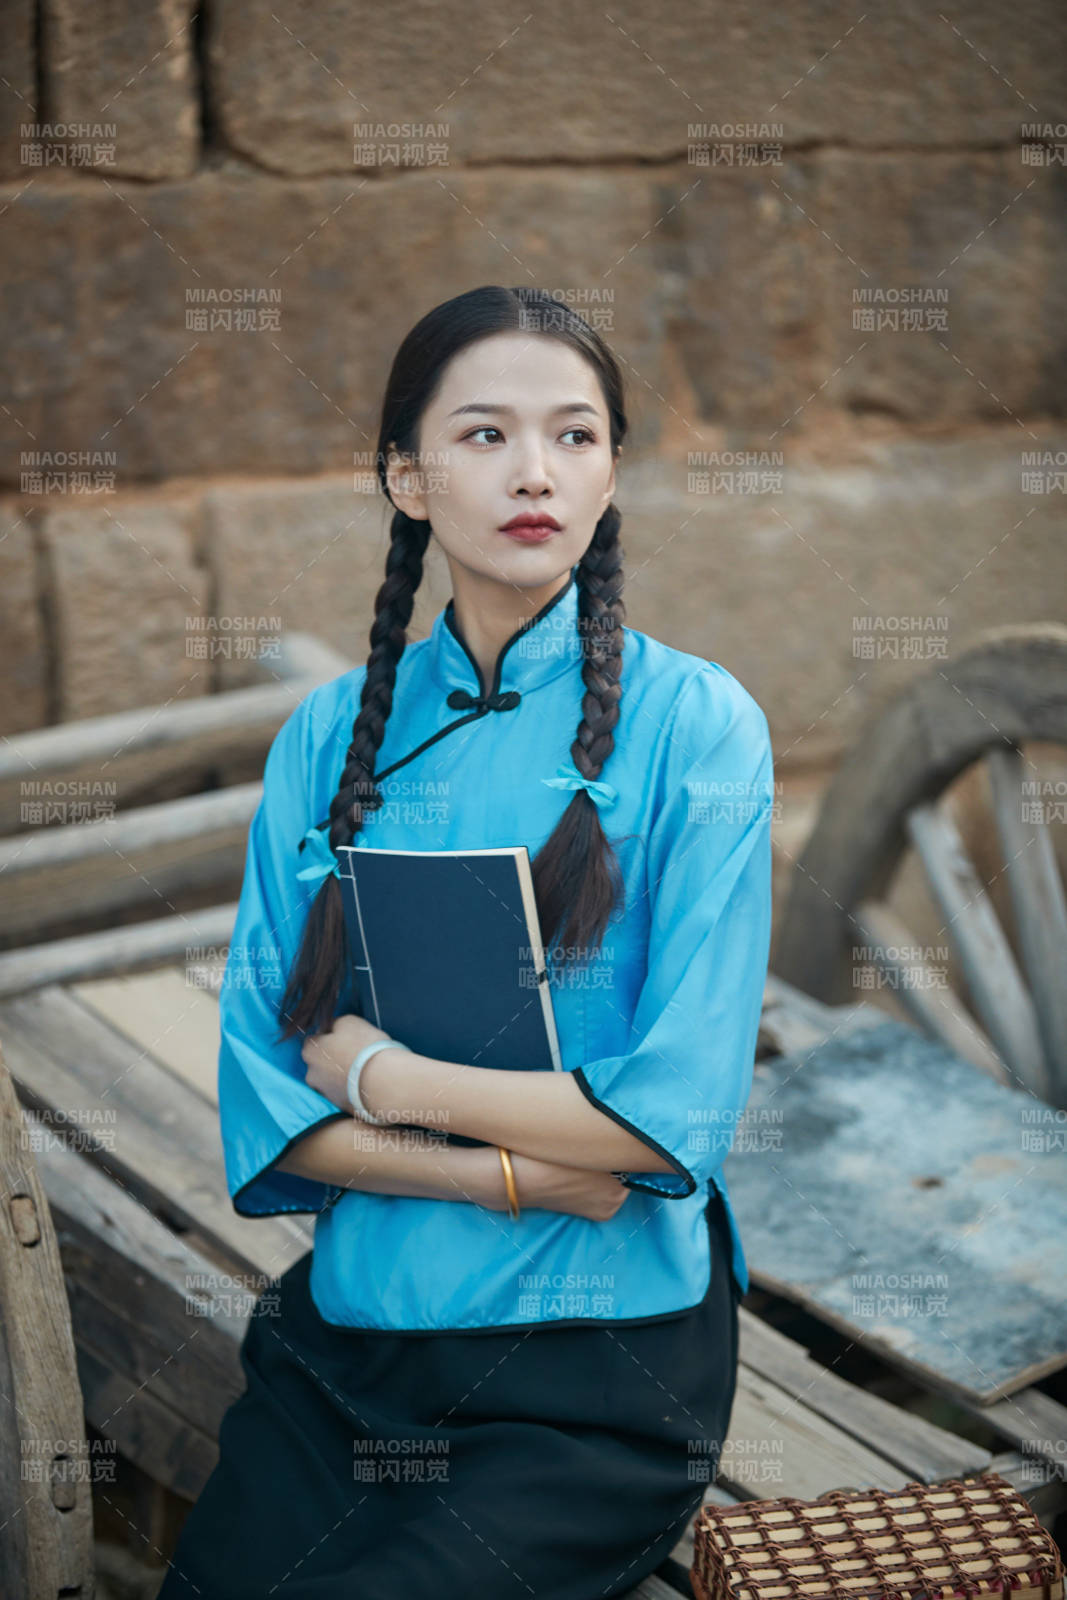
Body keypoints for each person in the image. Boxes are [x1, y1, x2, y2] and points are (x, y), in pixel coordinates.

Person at [157, 285, 774, 1600]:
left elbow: (671, 1124)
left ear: (611, 471)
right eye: (485, 435)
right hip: (356, 1344)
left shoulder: (699, 728)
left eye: (577, 436)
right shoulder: (328, 738)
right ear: (408, 477)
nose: (536, 472)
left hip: (590, 1378)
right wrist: (521, 1175)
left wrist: (390, 1082)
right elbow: (268, 1105)